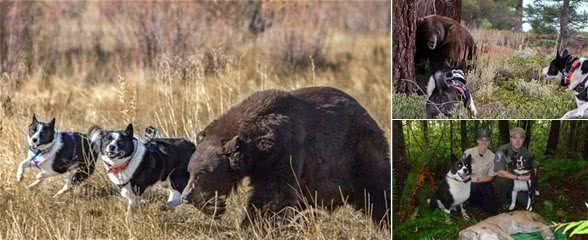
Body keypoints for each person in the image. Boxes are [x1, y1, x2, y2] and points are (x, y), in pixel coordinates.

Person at [494, 127, 538, 211]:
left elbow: (535, 167)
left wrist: (531, 177)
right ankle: (500, 203)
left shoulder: (527, 153)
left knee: (525, 202)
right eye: (514, 137)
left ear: (524, 139)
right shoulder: (502, 150)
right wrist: (518, 177)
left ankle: (512, 197)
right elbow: (499, 172)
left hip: (521, 183)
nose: (518, 141)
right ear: (510, 139)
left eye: (521, 138)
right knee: (501, 180)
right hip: (507, 180)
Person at [463, 129, 497, 215]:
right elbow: (460, 171)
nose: (484, 142)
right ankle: (468, 205)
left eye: (487, 140)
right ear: (477, 140)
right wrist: (470, 179)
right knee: (473, 186)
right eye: (482, 140)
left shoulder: (492, 156)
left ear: (489, 142)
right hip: (468, 181)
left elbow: (491, 176)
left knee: (492, 207)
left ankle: (483, 208)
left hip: (484, 181)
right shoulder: (468, 152)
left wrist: (479, 180)